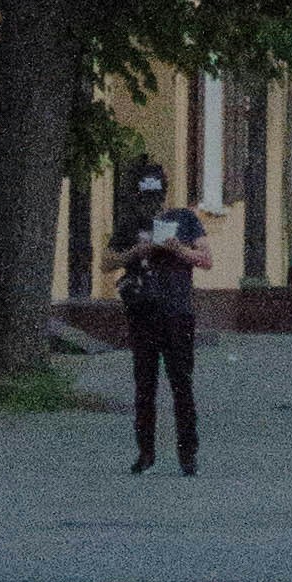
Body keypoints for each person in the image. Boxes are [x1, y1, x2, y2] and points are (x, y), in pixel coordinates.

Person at [117, 182, 206, 476]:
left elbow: (205, 259)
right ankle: (145, 452)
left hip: (177, 314)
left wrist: (177, 248)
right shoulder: (129, 224)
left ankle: (188, 454)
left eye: (156, 198)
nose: (151, 205)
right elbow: (107, 261)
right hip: (142, 313)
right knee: (145, 387)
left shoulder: (184, 220)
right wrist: (136, 251)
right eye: (145, 198)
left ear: (165, 195)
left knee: (182, 385)